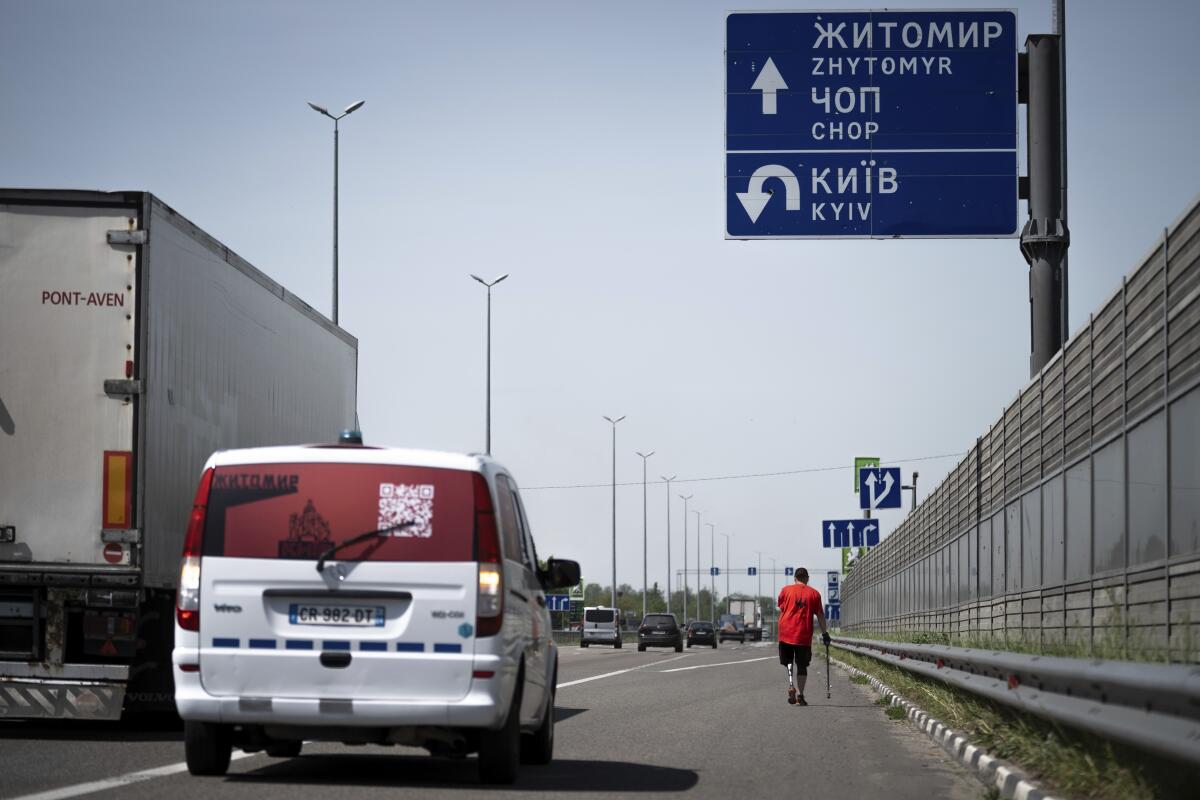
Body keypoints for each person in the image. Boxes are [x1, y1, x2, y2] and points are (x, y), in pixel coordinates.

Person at [776, 567, 830, 706]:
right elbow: (820, 615)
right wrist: (825, 634)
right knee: (802, 666)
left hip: (785, 633)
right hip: (803, 635)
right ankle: (800, 695)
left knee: (788, 662)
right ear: (807, 579)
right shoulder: (814, 594)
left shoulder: (785, 590)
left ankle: (790, 685)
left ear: (795, 579)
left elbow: (782, 608)